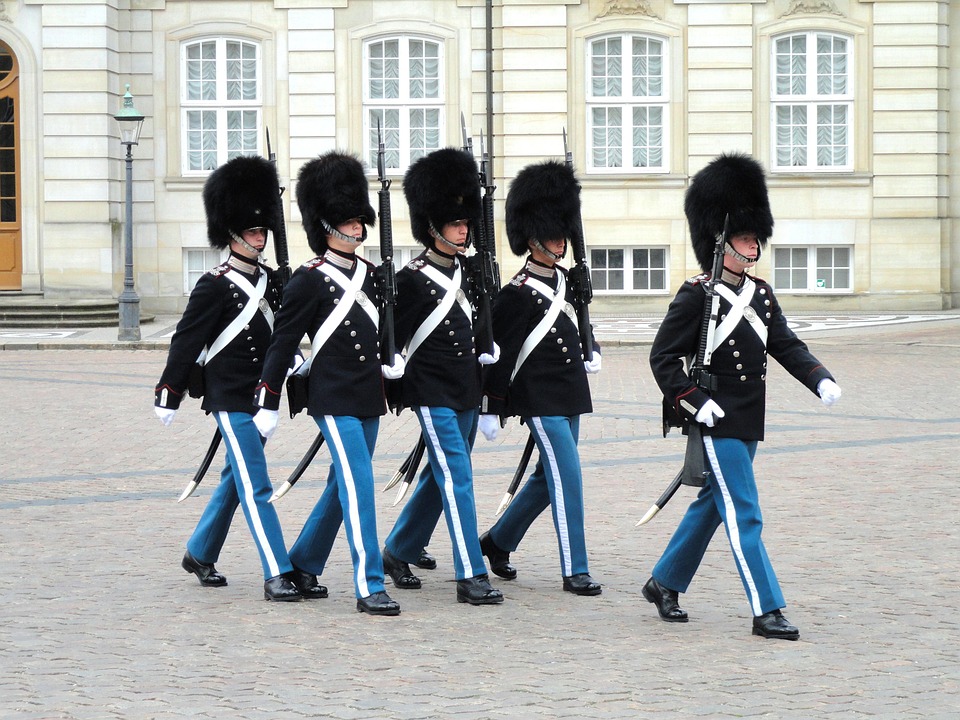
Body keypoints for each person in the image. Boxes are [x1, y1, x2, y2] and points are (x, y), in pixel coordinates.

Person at [642, 153, 843, 640]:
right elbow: (663, 358)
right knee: (744, 510)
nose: (753, 245)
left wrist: (818, 377)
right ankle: (767, 608)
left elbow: (785, 344)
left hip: (749, 417)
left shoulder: (761, 294)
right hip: (714, 417)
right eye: (745, 236)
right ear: (720, 239)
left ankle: (664, 582)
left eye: (755, 237)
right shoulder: (696, 295)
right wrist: (692, 400)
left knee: (715, 501)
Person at [252, 151, 403, 617]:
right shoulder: (309, 279)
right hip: (332, 396)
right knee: (359, 484)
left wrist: (394, 363)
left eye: (360, 220)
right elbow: (282, 343)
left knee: (343, 485)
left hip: (368, 395)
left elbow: (385, 332)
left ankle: (304, 561)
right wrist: (268, 399)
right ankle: (368, 583)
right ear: (328, 226)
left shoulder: (375, 276)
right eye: (349, 221)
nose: (358, 228)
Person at [154, 155, 301, 602]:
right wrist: (169, 391)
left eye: (263, 231)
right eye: (254, 232)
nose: (260, 238)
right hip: (229, 397)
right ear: (233, 234)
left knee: (235, 479)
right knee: (256, 482)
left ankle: (200, 552)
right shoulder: (214, 284)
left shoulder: (275, 281)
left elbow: (286, 332)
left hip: (262, 397)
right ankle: (278, 570)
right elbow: (186, 341)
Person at [379, 147, 503, 605]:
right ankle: (470, 573)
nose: (463, 229)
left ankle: (398, 549)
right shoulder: (411, 278)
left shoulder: (471, 271)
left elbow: (483, 333)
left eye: (466, 223)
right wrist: (390, 366)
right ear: (432, 228)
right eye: (455, 224)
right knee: (458, 476)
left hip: (467, 389)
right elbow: (392, 337)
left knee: (440, 475)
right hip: (431, 390)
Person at [475, 160, 603, 597]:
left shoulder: (569, 281)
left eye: (561, 234)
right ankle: (575, 567)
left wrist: (594, 348)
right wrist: (492, 405)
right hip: (538, 398)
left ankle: (497, 541)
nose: (560, 243)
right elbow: (501, 354)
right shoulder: (514, 292)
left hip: (570, 393)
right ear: (532, 240)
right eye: (551, 236)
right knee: (568, 477)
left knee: (546, 479)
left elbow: (578, 325)